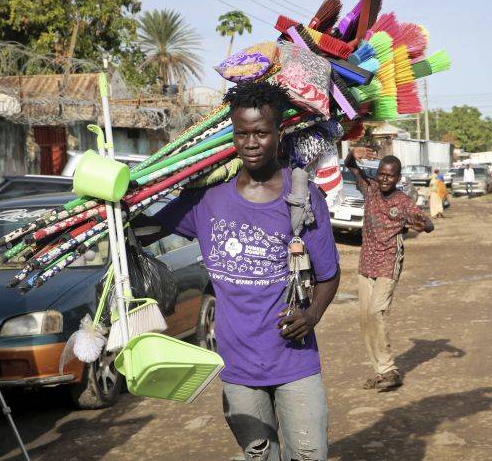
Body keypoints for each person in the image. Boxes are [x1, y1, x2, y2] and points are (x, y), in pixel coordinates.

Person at [137, 81, 340, 460]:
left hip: (294, 360)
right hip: (238, 366)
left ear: (279, 134)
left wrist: (312, 315)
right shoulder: (207, 199)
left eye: (261, 132)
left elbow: (329, 275)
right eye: (242, 133)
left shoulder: (302, 198)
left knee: (310, 455)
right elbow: (146, 231)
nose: (251, 142)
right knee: (259, 456)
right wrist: (114, 205)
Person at [345, 147, 434, 389]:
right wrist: (353, 152)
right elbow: (350, 166)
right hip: (366, 263)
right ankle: (382, 371)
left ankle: (389, 369)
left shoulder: (403, 202)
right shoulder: (370, 188)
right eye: (382, 174)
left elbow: (428, 224)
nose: (385, 179)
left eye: (390, 175)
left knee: (376, 312)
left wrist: (422, 223)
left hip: (388, 261)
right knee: (365, 319)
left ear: (398, 178)